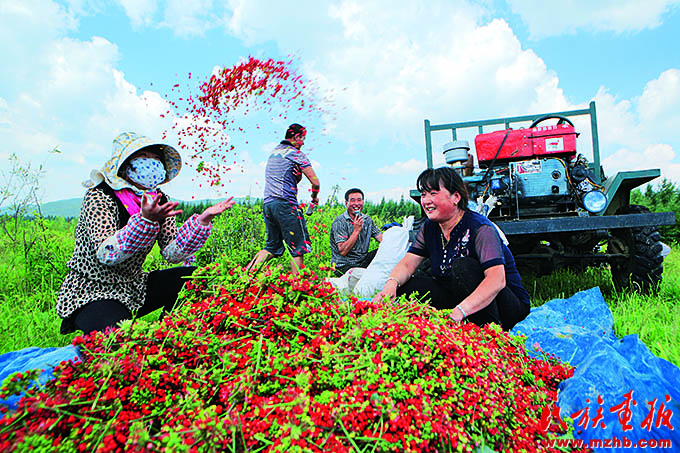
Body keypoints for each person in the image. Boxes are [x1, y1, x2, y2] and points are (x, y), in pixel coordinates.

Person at [56, 132, 235, 335]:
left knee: (195, 278)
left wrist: (202, 222)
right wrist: (145, 221)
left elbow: (171, 253)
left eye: (157, 159)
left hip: (134, 286)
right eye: (145, 158)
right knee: (120, 347)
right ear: (125, 166)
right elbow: (107, 253)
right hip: (94, 290)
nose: (153, 164)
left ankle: (170, 333)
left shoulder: (158, 199)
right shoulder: (101, 195)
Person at [371, 166, 530, 330]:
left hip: (505, 306)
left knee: (463, 267)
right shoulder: (430, 228)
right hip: (458, 296)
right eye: (424, 194)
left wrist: (459, 312)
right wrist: (390, 284)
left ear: (456, 197)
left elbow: (497, 280)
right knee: (407, 287)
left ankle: (485, 331)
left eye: (433, 193)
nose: (426, 201)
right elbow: (407, 264)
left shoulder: (480, 228)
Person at [246, 124, 320, 274]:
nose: (304, 143)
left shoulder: (274, 153)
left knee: (271, 247)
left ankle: (244, 277)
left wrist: (297, 177)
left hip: (268, 205)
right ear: (296, 137)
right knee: (297, 248)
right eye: (303, 138)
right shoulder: (295, 153)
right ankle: (297, 289)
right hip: (286, 205)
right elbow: (315, 182)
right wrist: (314, 198)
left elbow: (284, 179)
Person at [329, 188, 382, 276]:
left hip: (363, 261)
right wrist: (356, 230)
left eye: (359, 200)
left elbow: (380, 238)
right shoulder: (340, 222)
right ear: (346, 203)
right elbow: (343, 251)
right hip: (344, 265)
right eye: (352, 200)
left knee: (384, 250)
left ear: (363, 202)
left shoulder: (367, 220)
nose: (356, 204)